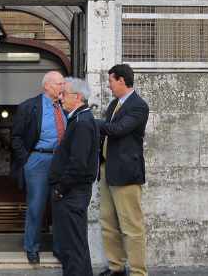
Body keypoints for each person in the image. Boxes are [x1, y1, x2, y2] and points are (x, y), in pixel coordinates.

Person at [97, 64, 149, 276]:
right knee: (108, 222)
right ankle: (116, 267)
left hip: (126, 174)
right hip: (107, 170)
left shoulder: (138, 106)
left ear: (121, 80)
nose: (109, 85)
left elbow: (119, 129)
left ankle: (137, 272)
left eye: (111, 81)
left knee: (131, 226)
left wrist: (91, 122)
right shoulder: (114, 104)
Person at [11, 70, 66, 264]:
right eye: (60, 84)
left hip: (61, 161)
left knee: (61, 206)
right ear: (47, 86)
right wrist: (27, 159)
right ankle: (32, 248)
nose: (63, 87)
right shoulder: (29, 107)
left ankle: (60, 249)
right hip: (38, 159)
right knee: (36, 205)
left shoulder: (66, 105)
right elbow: (16, 137)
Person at [49, 77, 100, 276]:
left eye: (64, 94)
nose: (60, 98)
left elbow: (78, 164)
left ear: (77, 97)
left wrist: (60, 189)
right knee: (76, 245)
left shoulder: (81, 123)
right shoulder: (80, 119)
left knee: (72, 247)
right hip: (72, 192)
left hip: (71, 193)